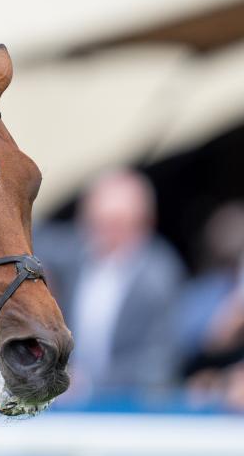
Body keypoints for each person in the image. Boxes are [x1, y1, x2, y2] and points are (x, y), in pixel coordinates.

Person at [35, 169, 185, 400]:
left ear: (143, 223)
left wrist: (86, 383)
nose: (104, 234)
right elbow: (30, 240)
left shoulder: (160, 276)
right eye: (96, 223)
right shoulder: (74, 253)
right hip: (65, 401)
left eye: (116, 224)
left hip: (127, 406)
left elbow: (160, 361)